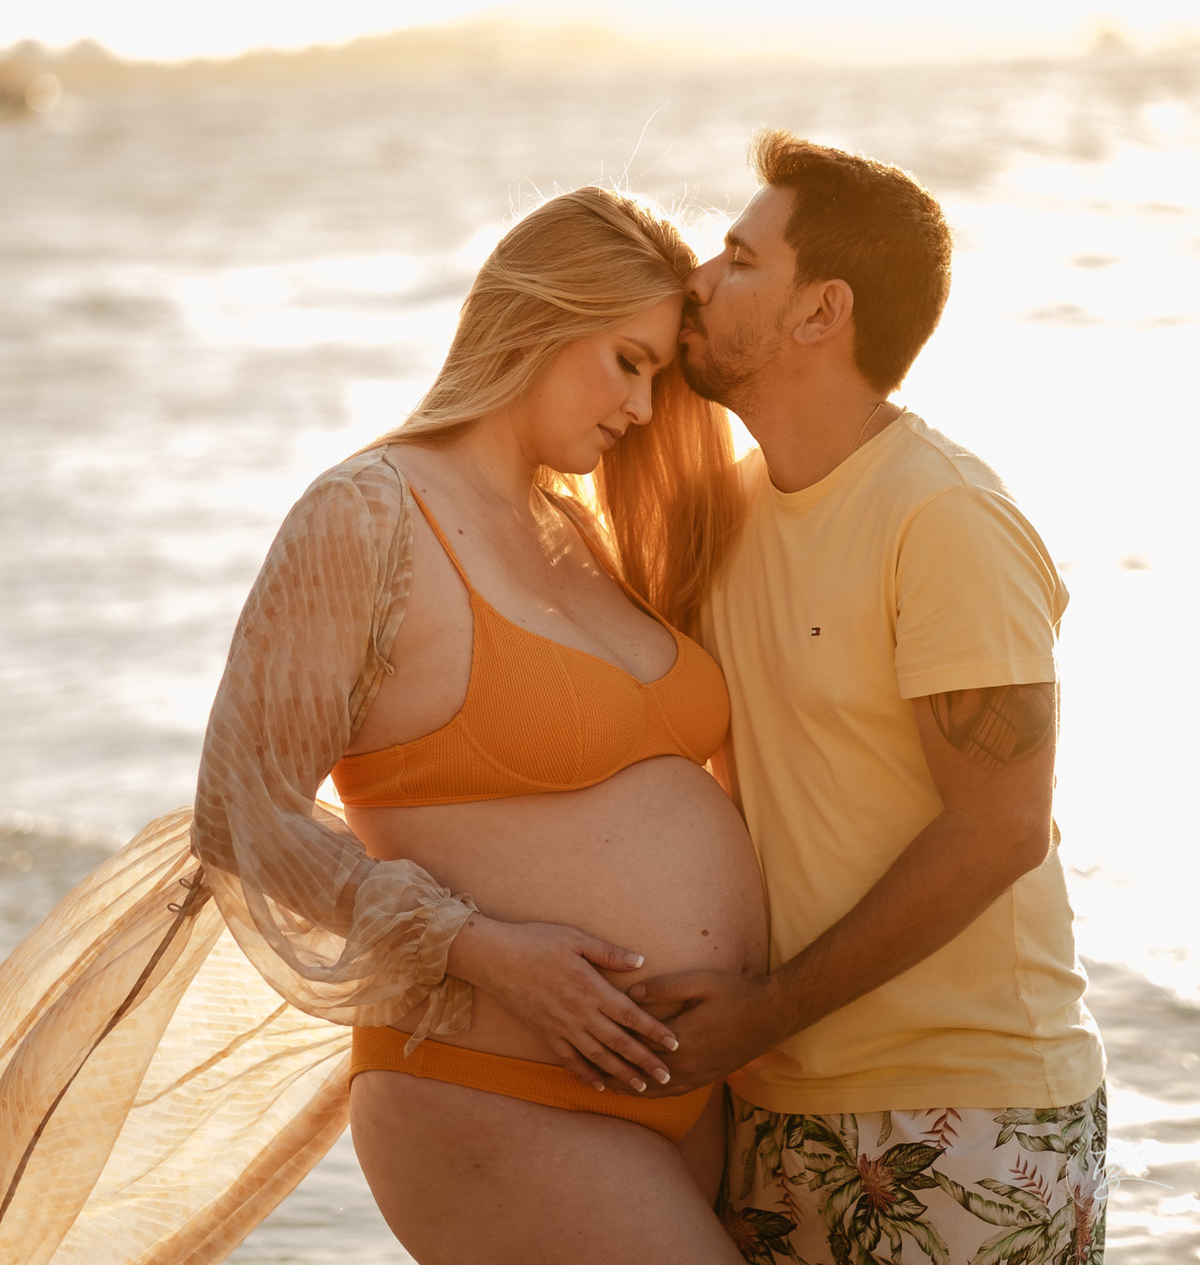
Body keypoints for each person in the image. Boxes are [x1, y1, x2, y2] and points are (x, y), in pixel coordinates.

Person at [0, 186, 766, 1265]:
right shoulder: (366, 514)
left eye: (660, 376)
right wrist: (484, 950)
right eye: (627, 362)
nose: (644, 409)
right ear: (540, 318)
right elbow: (241, 812)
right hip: (497, 1093)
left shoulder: (579, 534)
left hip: (680, 1085)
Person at [622, 133, 1108, 1264]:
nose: (697, 278)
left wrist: (762, 1011)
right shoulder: (728, 516)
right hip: (774, 1108)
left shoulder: (942, 519)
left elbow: (1000, 830)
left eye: (740, 258)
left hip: (974, 1114)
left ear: (819, 312)